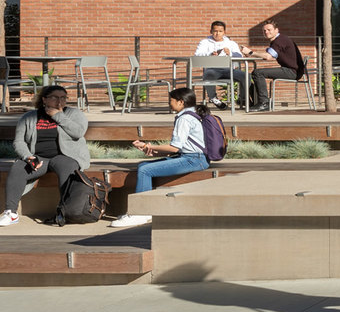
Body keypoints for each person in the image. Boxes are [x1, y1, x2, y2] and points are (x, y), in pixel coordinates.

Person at [110, 87, 210, 228]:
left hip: (194, 159)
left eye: (171, 100)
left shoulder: (185, 118)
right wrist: (154, 151)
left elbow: (174, 147)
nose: (169, 103)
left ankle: (141, 212)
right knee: (143, 166)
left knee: (145, 170)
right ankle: (145, 210)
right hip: (193, 157)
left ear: (181, 102)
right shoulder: (192, 115)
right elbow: (183, 147)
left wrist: (148, 146)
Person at [2, 85, 89, 227]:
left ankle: (64, 212)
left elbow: (78, 132)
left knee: (68, 168)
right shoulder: (29, 117)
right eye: (55, 97)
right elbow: (19, 141)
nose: (59, 101)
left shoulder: (74, 114)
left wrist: (57, 115)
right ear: (44, 99)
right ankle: (11, 213)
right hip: (38, 157)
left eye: (63, 98)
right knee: (18, 168)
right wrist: (27, 156)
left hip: (64, 156)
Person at [250, 20, 307, 112]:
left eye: (269, 30)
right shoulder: (280, 40)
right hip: (292, 70)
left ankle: (264, 103)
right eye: (264, 30)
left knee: (258, 73)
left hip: (292, 71)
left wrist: (251, 52)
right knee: (255, 73)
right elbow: (269, 55)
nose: (266, 32)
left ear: (276, 30)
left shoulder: (280, 41)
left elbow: (268, 57)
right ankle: (257, 102)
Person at [193, 19, 247, 110]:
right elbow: (197, 55)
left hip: (229, 70)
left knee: (245, 76)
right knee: (208, 74)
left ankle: (243, 98)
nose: (217, 34)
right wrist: (210, 54)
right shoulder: (204, 42)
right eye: (215, 31)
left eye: (220, 31)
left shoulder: (231, 43)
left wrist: (230, 53)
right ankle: (213, 98)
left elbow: (239, 56)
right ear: (211, 31)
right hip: (212, 69)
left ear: (224, 32)